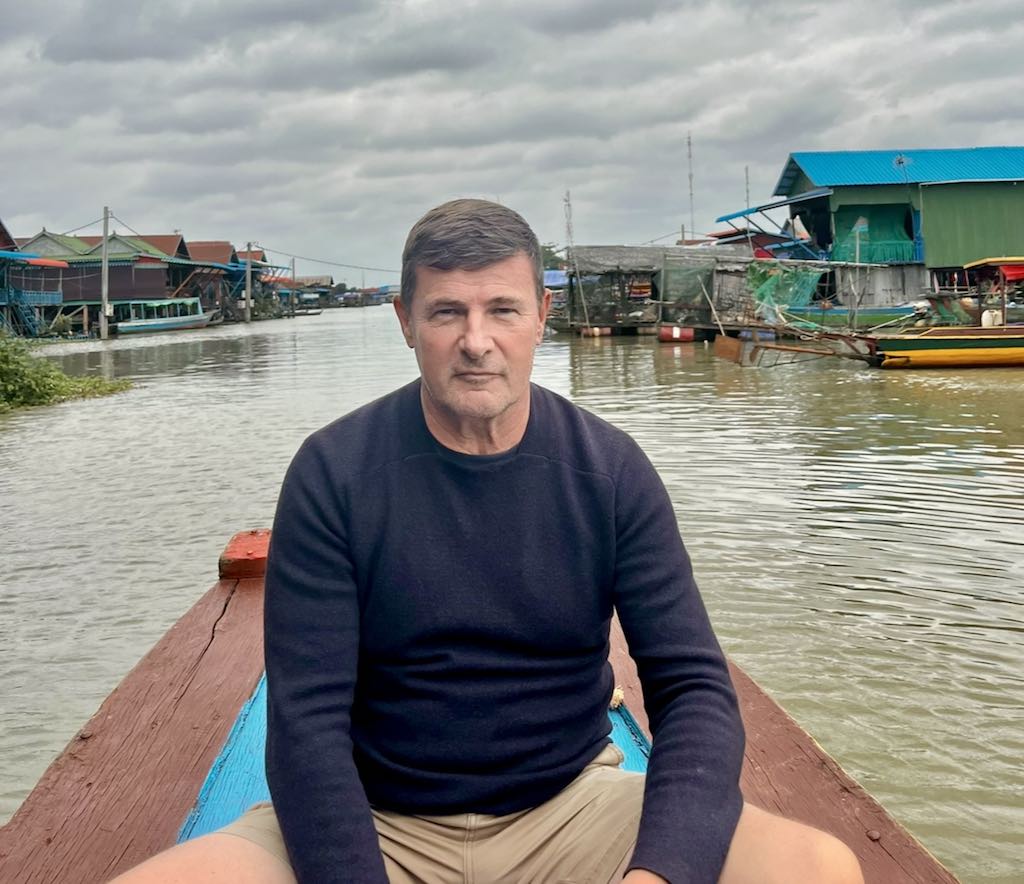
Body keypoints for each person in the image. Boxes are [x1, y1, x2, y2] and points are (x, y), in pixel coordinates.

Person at [114, 199, 862, 884]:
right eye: (447, 314)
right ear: (405, 322)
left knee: (818, 869)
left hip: (570, 807)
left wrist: (658, 875)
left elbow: (692, 688)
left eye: (502, 309)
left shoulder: (609, 472)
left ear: (541, 315)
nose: (477, 343)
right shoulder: (334, 474)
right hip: (380, 820)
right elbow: (306, 722)